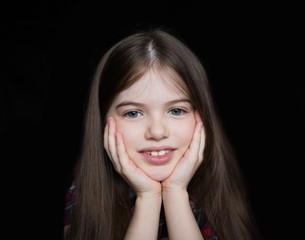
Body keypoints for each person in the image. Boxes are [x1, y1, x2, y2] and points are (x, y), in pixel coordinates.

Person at [64, 28, 260, 240]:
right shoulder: (85, 193)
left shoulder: (221, 185)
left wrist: (175, 193)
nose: (157, 132)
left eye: (176, 110)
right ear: (103, 121)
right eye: (133, 113)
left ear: (201, 117)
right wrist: (148, 198)